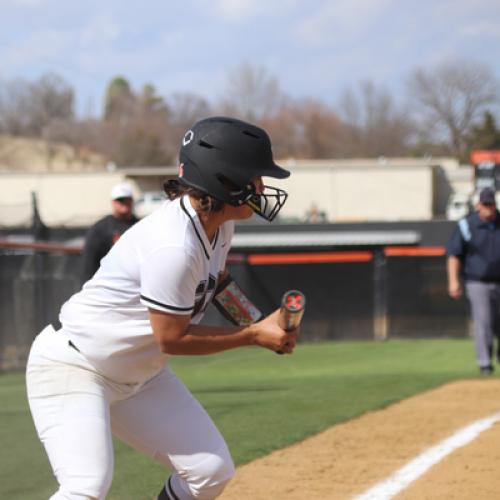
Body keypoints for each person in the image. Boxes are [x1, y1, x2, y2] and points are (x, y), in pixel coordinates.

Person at [26, 116, 299, 500]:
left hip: (137, 374)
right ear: (225, 180)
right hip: (75, 366)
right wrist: (254, 335)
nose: (262, 186)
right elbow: (173, 338)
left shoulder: (220, 224)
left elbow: (217, 281)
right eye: (254, 177)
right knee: (86, 487)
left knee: (211, 471)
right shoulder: (173, 244)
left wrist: (257, 320)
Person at [446, 186, 500, 374]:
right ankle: (485, 364)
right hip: (478, 281)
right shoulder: (467, 225)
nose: (488, 208)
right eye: (485, 204)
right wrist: (453, 281)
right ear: (478, 205)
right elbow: (454, 254)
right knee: (483, 322)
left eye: (490, 204)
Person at [81, 182, 139, 283]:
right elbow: (89, 263)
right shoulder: (100, 229)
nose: (124, 203)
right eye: (120, 200)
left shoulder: (140, 226)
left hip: (136, 283)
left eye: (127, 200)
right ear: (113, 202)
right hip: (109, 284)